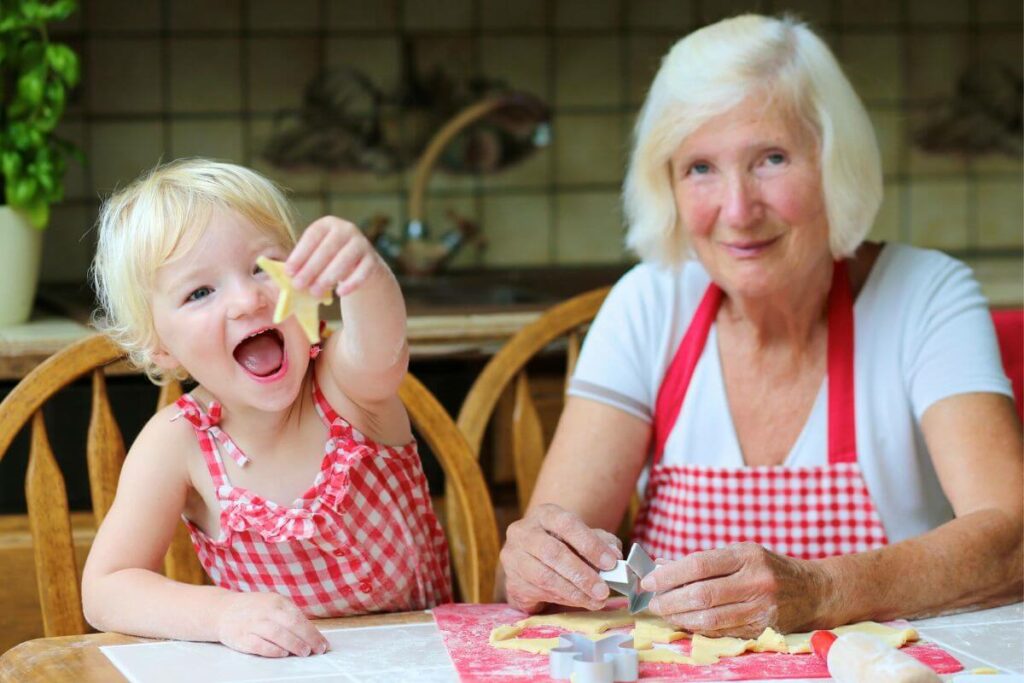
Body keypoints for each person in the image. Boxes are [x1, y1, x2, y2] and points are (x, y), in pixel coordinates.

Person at [499, 14, 1023, 638]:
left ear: (836, 164)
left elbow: (1012, 539)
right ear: (665, 184)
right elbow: (527, 577)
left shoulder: (924, 295)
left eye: (771, 159)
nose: (738, 210)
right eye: (700, 168)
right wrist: (537, 564)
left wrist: (823, 590)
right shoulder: (647, 303)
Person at [82, 159, 451, 657]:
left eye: (262, 266)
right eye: (200, 292)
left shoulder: (345, 383)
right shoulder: (177, 443)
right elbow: (106, 588)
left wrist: (363, 272)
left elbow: (383, 353)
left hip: (424, 660)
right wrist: (224, 613)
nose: (247, 300)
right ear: (160, 347)